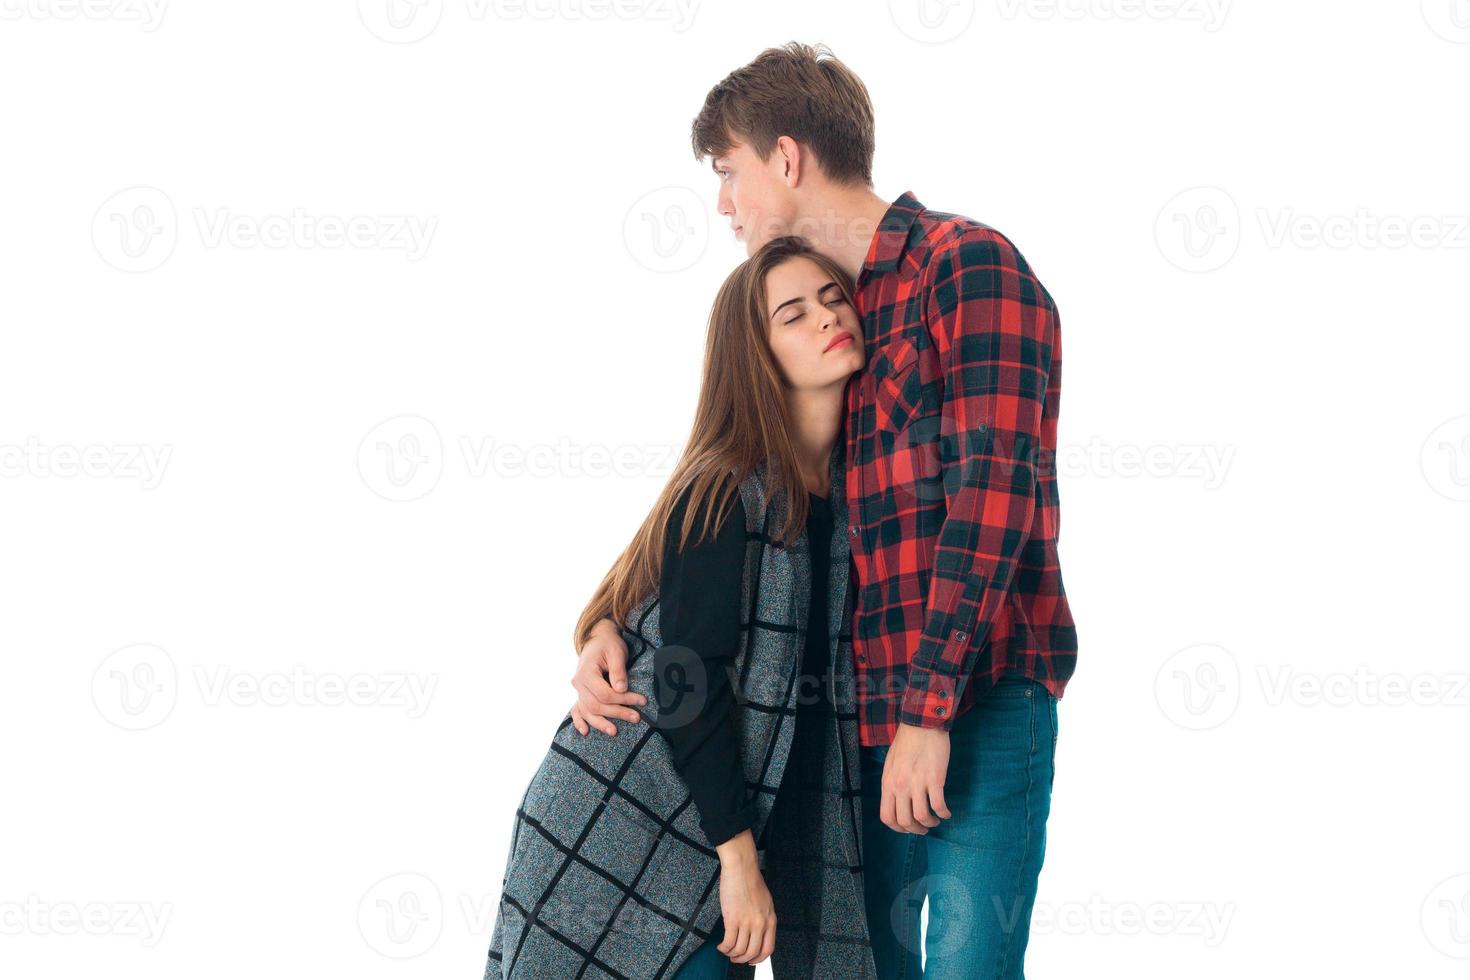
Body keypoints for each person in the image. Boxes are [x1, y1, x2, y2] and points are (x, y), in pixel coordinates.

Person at [570, 42, 1078, 979]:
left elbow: (993, 496)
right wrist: (610, 618)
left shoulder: (965, 267)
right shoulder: (834, 320)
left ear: (787, 159)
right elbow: (732, 482)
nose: (725, 203)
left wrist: (927, 714)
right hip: (852, 727)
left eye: (729, 172)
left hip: (976, 703)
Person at [483, 235, 879, 978]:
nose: (828, 318)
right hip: (621, 833)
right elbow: (684, 681)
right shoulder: (729, 487)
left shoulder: (854, 502)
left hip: (719, 829)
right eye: (792, 315)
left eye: (833, 298)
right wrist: (738, 862)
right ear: (756, 357)